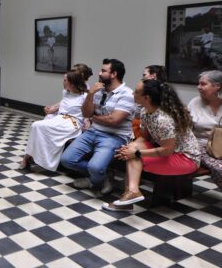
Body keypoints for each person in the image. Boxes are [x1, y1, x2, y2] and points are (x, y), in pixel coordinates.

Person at [102, 80, 201, 212]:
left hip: (186, 158)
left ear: (146, 98)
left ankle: (131, 193)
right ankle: (130, 196)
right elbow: (144, 138)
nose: (132, 93)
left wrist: (136, 153)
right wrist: (131, 147)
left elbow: (167, 150)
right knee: (131, 151)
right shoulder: (145, 111)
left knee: (135, 156)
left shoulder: (163, 119)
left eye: (136, 92)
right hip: (171, 153)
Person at [60, 59, 136, 195]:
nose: (99, 73)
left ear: (114, 74)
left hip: (115, 136)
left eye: (103, 71)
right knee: (67, 160)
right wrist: (90, 94)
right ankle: (105, 175)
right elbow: (86, 113)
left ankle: (94, 180)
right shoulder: (98, 91)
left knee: (95, 167)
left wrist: (93, 117)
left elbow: (114, 120)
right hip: (93, 131)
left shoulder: (127, 94)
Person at [21, 70, 87, 171]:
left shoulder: (84, 97)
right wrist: (51, 109)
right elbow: (62, 104)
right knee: (36, 125)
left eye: (65, 80)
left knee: (40, 126)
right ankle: (29, 156)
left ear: (72, 82)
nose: (63, 82)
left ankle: (29, 157)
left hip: (72, 123)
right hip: (60, 119)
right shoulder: (66, 93)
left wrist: (87, 123)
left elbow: (87, 114)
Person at [188, 70, 222, 189]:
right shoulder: (194, 103)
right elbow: (185, 129)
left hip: (220, 147)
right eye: (199, 84)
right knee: (219, 168)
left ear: (217, 86)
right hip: (199, 147)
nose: (199, 87)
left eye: (203, 84)